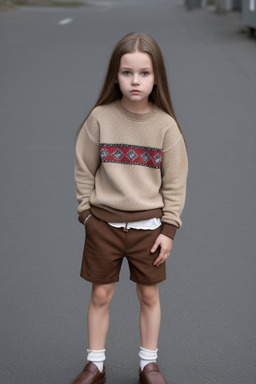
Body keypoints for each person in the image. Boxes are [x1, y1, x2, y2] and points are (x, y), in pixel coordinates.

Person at [72, 32, 188, 384]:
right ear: (115, 75)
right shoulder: (100, 118)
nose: (135, 81)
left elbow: (175, 182)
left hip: (149, 229)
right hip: (102, 226)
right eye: (126, 73)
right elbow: (83, 169)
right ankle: (96, 364)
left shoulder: (165, 127)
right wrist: (87, 216)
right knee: (101, 294)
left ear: (157, 78)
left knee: (149, 296)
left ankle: (148, 364)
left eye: (144, 73)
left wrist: (168, 230)